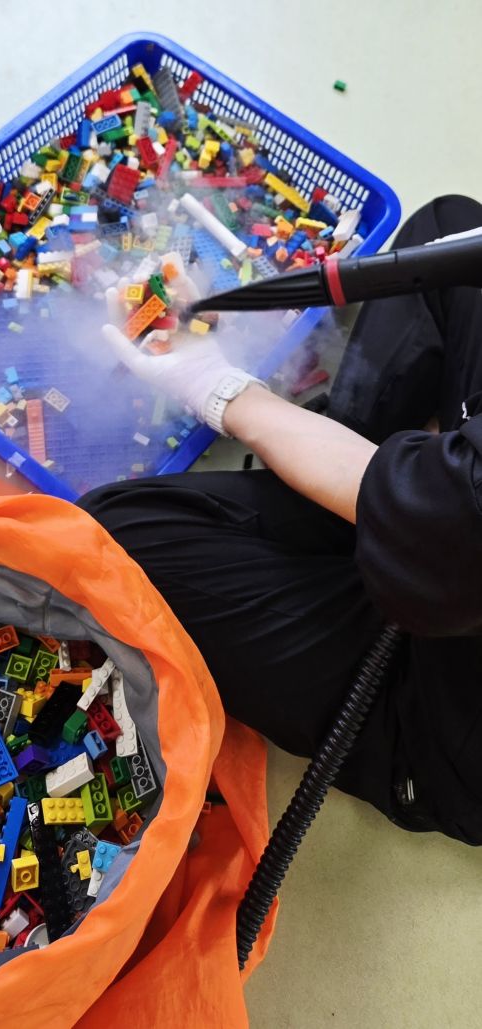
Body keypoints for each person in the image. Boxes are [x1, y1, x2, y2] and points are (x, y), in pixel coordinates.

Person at [78, 195, 482, 846]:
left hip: (440, 691)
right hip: (444, 535)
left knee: (113, 536)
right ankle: (340, 471)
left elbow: (449, 533)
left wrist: (221, 388)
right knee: (449, 237)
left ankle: (348, 486)